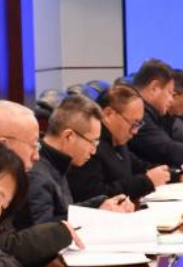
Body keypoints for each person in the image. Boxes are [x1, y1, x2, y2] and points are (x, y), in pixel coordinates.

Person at [0, 100, 75, 267]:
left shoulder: (4, 177)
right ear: (3, 145)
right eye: (33, 145)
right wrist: (59, 233)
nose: (37, 156)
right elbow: (4, 247)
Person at [29, 95, 135, 226]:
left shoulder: (57, 161)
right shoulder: (38, 176)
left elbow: (64, 212)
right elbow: (42, 230)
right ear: (69, 136)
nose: (94, 151)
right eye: (92, 142)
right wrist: (98, 215)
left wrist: (100, 204)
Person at [68, 82, 171, 205]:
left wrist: (173, 175)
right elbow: (94, 195)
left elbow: (139, 167)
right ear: (108, 114)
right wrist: (146, 181)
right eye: (133, 123)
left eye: (139, 124)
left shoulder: (117, 139)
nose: (135, 131)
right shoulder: (89, 144)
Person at [128, 59, 183, 169]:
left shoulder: (154, 113)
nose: (171, 99)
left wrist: (176, 175)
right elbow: (164, 149)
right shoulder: (138, 113)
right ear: (154, 88)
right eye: (169, 92)